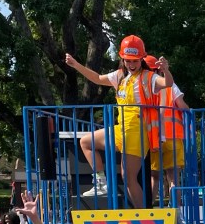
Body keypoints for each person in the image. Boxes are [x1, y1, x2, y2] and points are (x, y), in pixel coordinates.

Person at [64, 38, 173, 208]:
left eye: (135, 61)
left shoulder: (148, 77)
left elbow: (167, 84)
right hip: (120, 129)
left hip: (136, 132)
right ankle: (100, 182)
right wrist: (76, 65)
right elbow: (98, 78)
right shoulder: (120, 75)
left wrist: (165, 70)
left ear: (141, 59)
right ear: (122, 59)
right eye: (127, 60)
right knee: (86, 141)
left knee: (128, 179)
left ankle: (144, 217)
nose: (131, 64)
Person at [143, 54, 190, 207]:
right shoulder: (170, 86)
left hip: (154, 138)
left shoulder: (143, 87)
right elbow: (183, 107)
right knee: (174, 179)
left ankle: (148, 210)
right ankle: (175, 211)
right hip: (173, 138)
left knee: (154, 177)